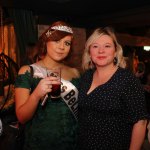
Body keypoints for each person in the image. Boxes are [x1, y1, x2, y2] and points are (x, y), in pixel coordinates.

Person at [78, 27, 149, 150]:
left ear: (115, 51)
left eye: (107, 46)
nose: (101, 51)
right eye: (95, 46)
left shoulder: (127, 80)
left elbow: (140, 122)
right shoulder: (86, 77)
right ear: (89, 52)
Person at [14, 21, 80, 150]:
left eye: (67, 43)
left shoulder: (75, 73)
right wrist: (36, 94)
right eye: (56, 41)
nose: (62, 47)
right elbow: (21, 118)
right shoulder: (28, 71)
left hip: (72, 143)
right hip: (39, 143)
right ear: (46, 42)